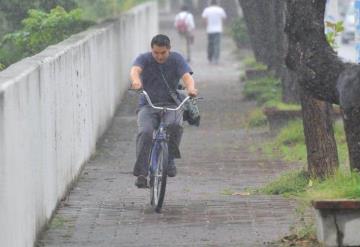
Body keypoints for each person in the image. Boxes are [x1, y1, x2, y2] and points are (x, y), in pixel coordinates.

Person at [130, 34, 198, 188]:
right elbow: (135, 70)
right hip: (148, 105)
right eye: (156, 53)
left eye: (163, 53)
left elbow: (187, 77)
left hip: (171, 104)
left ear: (169, 50)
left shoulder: (176, 59)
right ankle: (142, 173)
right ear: (151, 50)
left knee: (175, 126)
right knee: (145, 132)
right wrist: (136, 81)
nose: (159, 56)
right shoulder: (144, 59)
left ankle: (169, 159)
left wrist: (191, 88)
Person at [201, 0, 227, 64]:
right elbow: (224, 18)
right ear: (217, 3)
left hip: (209, 29)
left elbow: (204, 19)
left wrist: (206, 26)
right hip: (218, 29)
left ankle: (210, 57)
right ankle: (216, 58)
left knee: (210, 44)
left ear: (210, 3)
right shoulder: (220, 10)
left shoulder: (207, 10)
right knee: (217, 44)